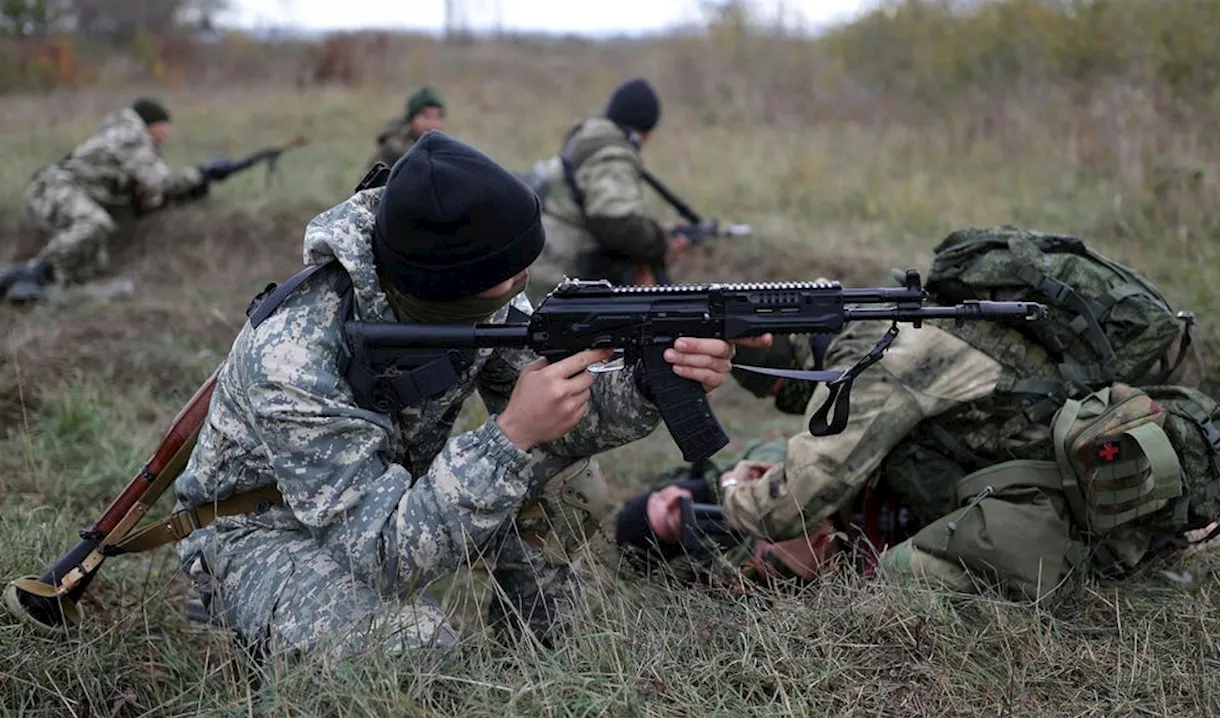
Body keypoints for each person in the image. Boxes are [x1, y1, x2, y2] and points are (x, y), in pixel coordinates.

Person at [172, 130, 753, 661]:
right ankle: (250, 618)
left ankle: (544, 657)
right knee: (412, 650)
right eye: (508, 278)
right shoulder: (295, 356)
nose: (520, 285)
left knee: (570, 481)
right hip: (264, 530)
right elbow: (380, 550)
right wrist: (509, 438)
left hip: (381, 503)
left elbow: (561, 411)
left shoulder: (474, 291)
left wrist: (650, 382)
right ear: (444, 288)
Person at [615, 227, 1220, 601]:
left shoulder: (890, 362)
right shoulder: (912, 327)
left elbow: (791, 504)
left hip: (1076, 513)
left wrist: (728, 497)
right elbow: (822, 396)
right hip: (1095, 478)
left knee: (899, 579)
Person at [5, 97, 217, 303]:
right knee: (94, 224)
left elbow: (146, 194)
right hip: (55, 188)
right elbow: (159, 181)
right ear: (153, 124)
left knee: (92, 261)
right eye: (165, 128)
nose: (167, 135)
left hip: (57, 190)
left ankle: (42, 286)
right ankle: (31, 275)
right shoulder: (132, 136)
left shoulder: (120, 134)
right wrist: (202, 173)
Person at [526, 77, 690, 298]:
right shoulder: (611, 154)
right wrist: (662, 242)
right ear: (646, 131)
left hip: (546, 265)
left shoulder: (588, 140)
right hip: (560, 279)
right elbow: (616, 223)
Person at [370, 85, 447, 170]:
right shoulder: (394, 147)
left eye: (438, 117)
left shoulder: (442, 148)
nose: (433, 123)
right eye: (426, 116)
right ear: (411, 119)